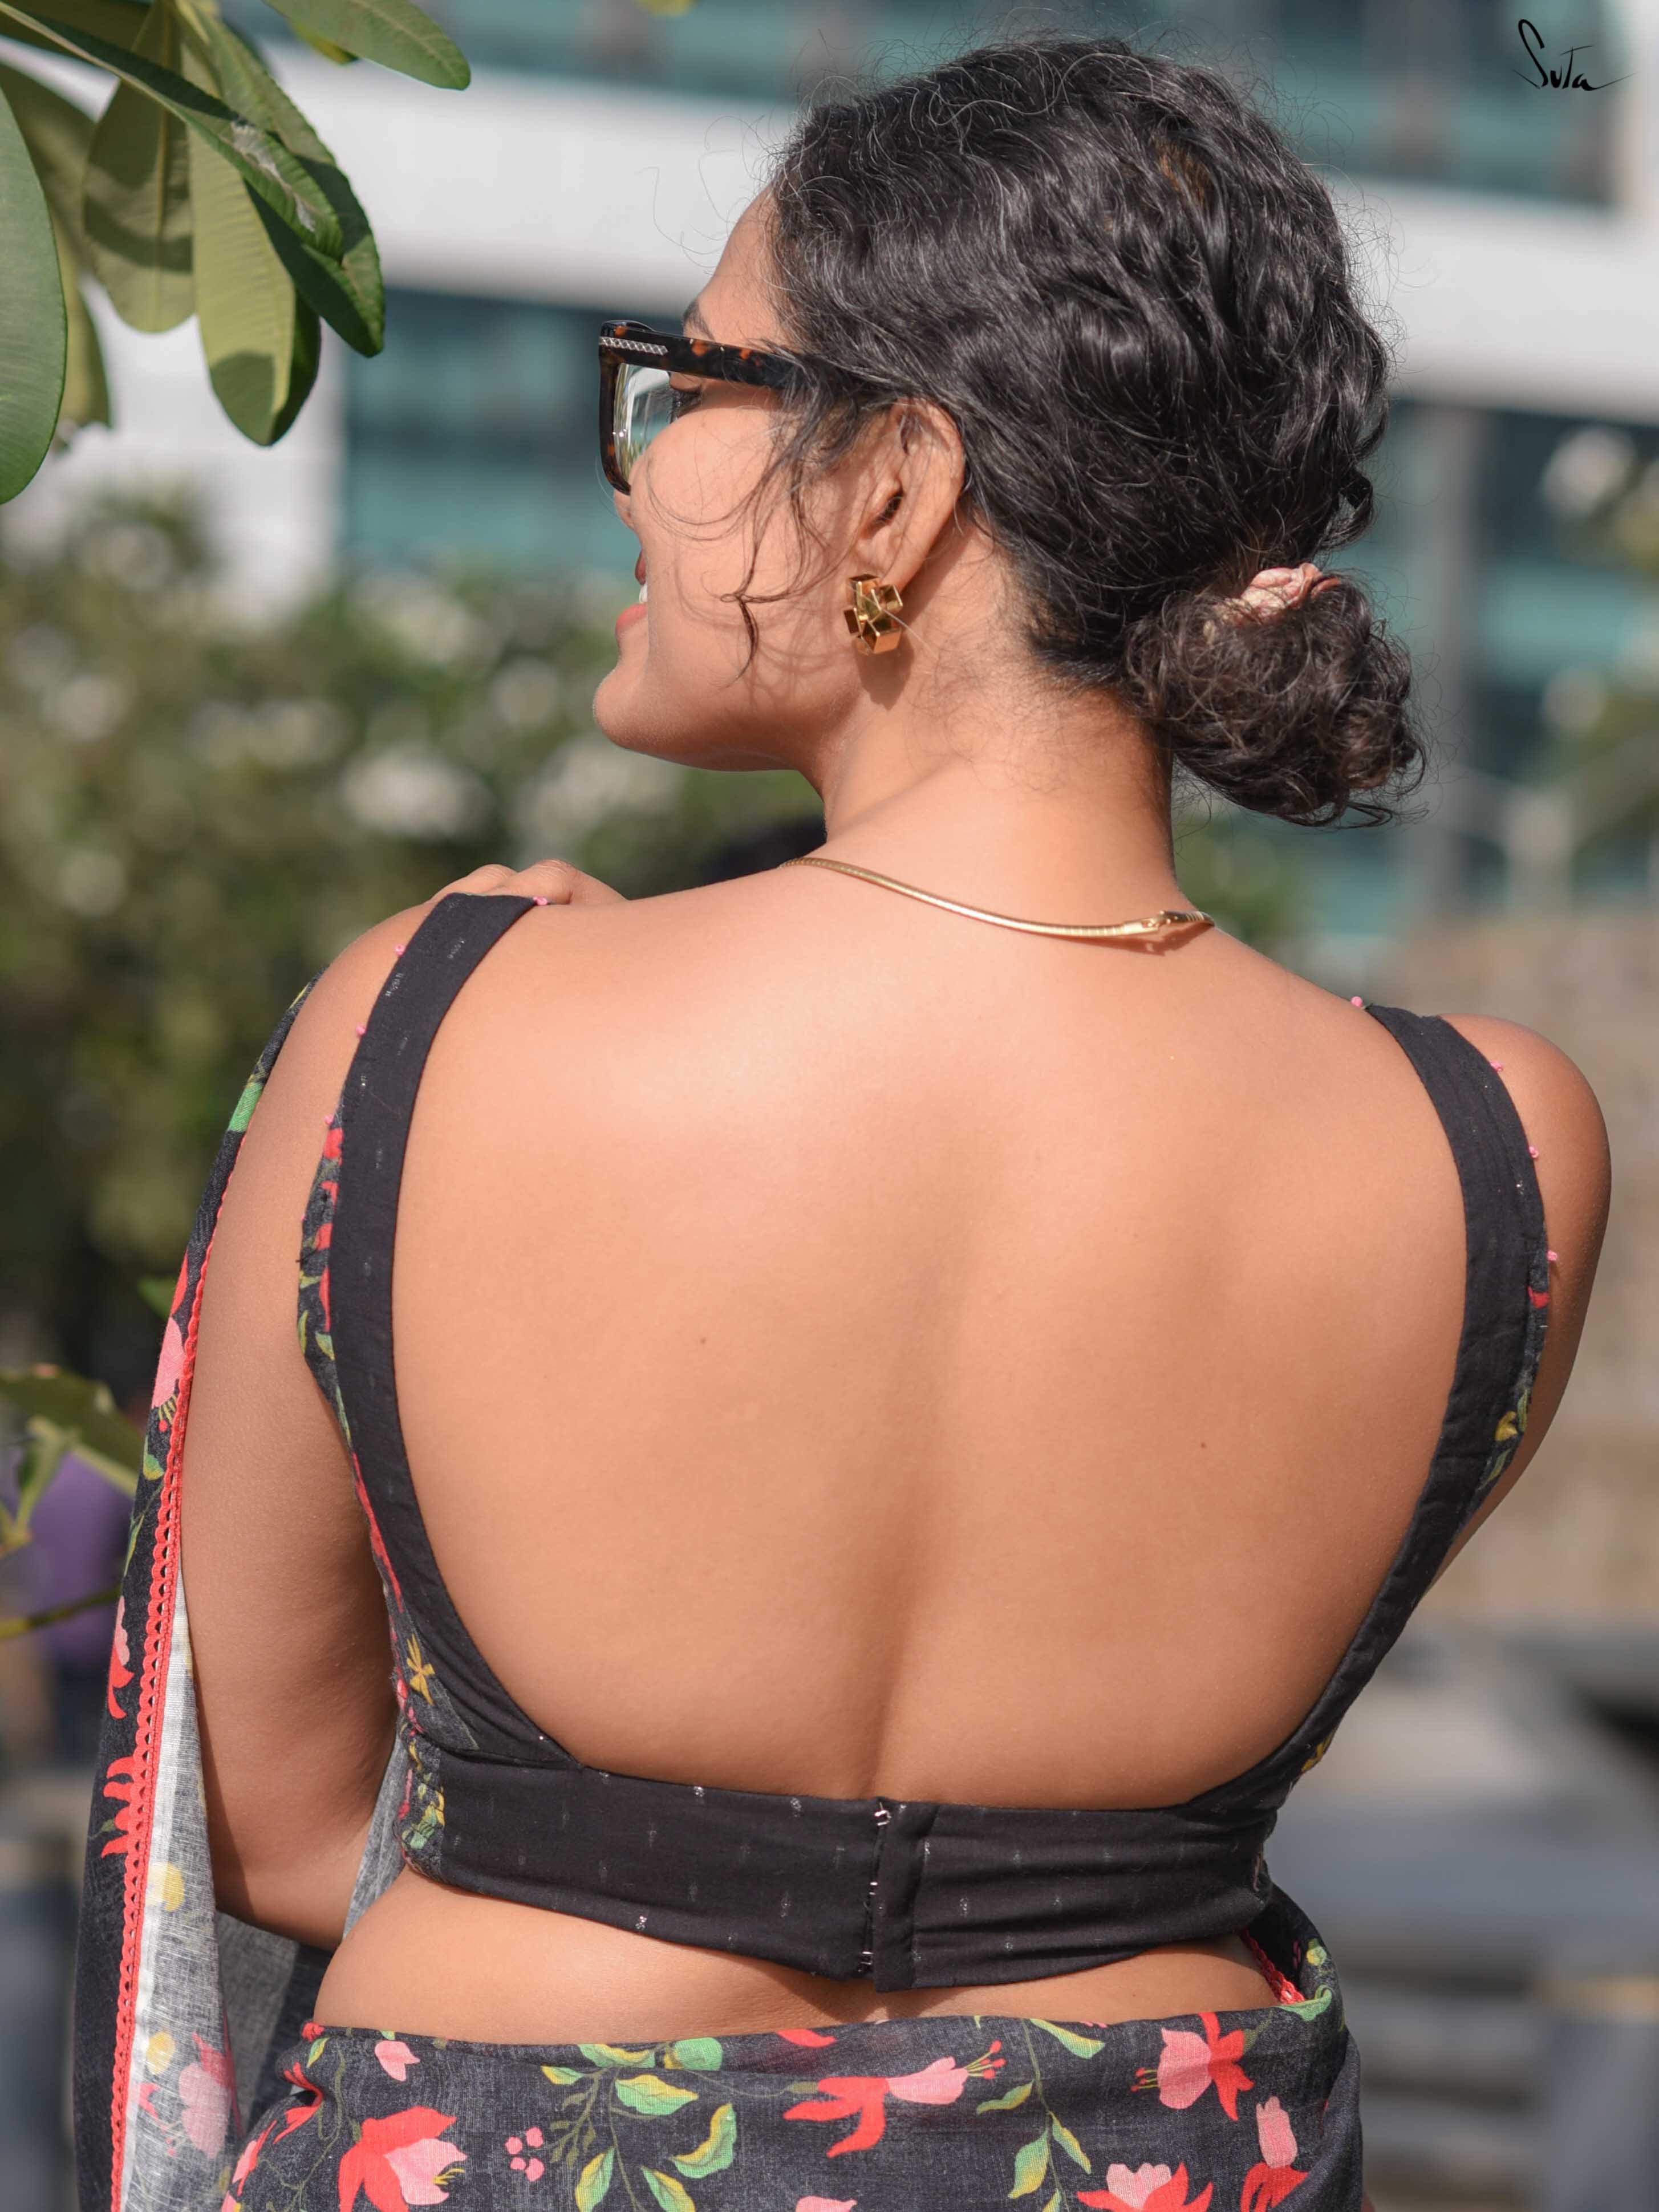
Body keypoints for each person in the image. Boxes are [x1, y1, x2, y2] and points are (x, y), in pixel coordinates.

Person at [72, 36, 1610, 2212]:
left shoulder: (433, 1024)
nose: (637, 467)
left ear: (894, 489)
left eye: (686, 381)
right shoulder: (1492, 1144)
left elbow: (277, 1823)